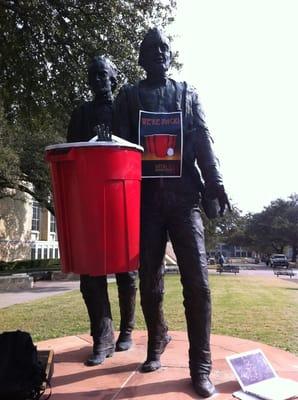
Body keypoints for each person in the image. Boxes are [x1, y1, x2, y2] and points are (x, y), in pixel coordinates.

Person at [113, 28, 230, 398]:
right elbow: (117, 147)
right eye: (152, 49)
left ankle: (201, 363)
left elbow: (202, 139)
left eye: (164, 48)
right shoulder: (129, 97)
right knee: (149, 282)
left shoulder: (186, 94)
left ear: (169, 54)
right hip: (146, 201)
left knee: (198, 283)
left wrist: (215, 181)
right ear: (142, 58)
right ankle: (157, 337)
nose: (159, 54)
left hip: (183, 200)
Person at [67, 55, 137, 366]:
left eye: (103, 74)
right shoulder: (80, 113)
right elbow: (71, 154)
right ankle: (102, 336)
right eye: (93, 75)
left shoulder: (125, 111)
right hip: (91, 203)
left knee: (126, 272)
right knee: (90, 275)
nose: (98, 80)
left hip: (121, 198)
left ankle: (127, 330)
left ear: (113, 77)